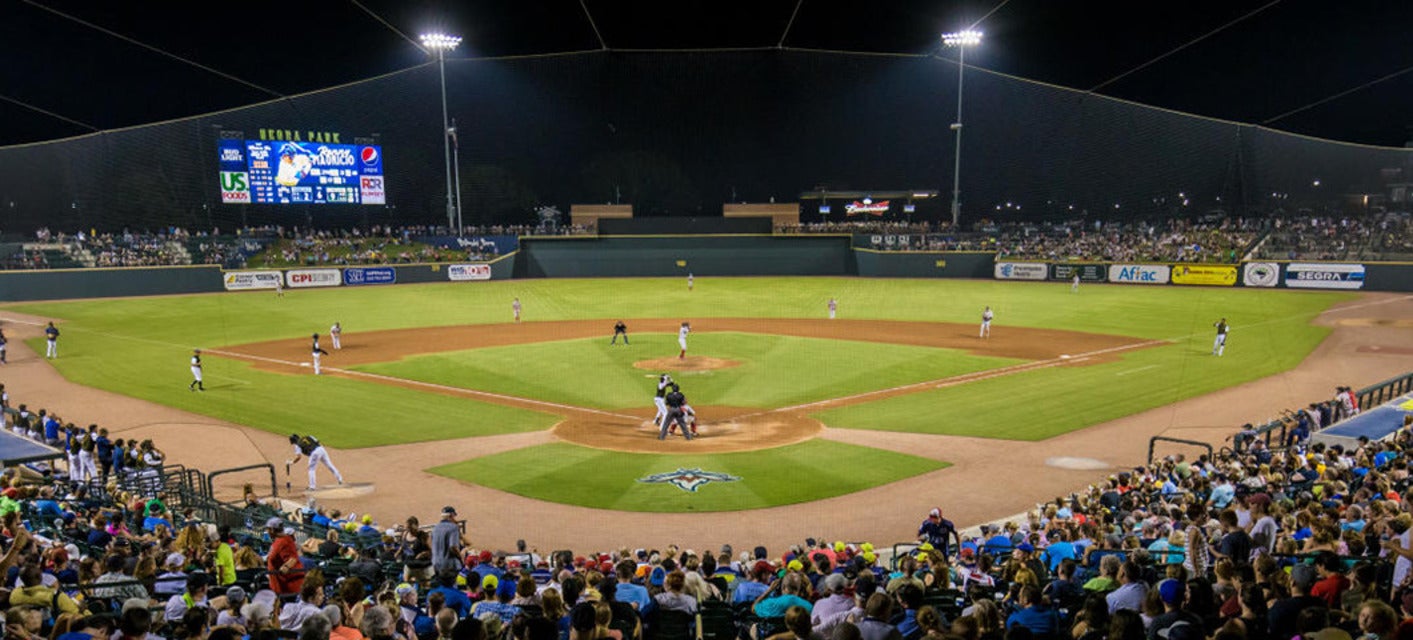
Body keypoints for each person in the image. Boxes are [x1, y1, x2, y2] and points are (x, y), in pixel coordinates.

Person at [431, 506, 464, 573]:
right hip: (449, 566)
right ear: (451, 516)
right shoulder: (453, 527)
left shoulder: (435, 528)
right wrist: (461, 558)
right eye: (454, 516)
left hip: (435, 564)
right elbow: (453, 547)